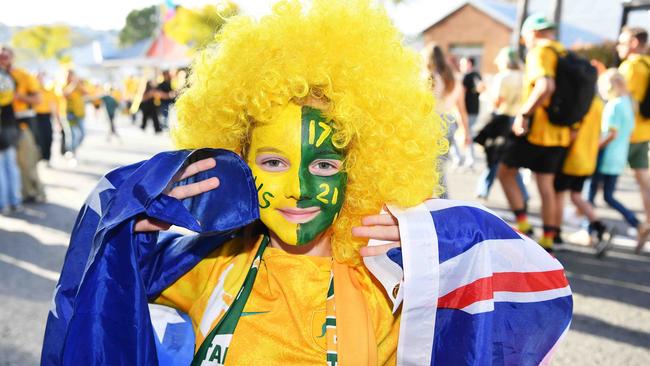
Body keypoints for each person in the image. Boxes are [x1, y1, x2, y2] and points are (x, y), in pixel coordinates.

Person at [42, 1, 572, 365]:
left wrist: (459, 236)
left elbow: (528, 295)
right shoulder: (210, 262)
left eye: (323, 165)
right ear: (236, 160)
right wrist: (136, 210)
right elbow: (100, 290)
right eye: (272, 162)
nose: (297, 190)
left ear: (359, 167)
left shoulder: (391, 278)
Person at [498, 14, 570, 250]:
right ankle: (547, 239)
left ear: (533, 33)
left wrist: (524, 114)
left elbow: (545, 86)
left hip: (536, 131)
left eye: (525, 36)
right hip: (560, 133)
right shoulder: (564, 54)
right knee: (546, 186)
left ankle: (524, 227)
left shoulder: (540, 51)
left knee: (505, 172)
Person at [588, 69, 649, 252]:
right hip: (619, 156)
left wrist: (594, 147)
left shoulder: (613, 105)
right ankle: (637, 223)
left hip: (606, 156)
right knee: (608, 196)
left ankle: (593, 233)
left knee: (589, 195)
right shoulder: (630, 104)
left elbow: (611, 133)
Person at [553, 95, 609, 248]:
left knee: (559, 194)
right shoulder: (598, 103)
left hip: (573, 158)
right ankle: (598, 224)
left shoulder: (582, 102)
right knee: (576, 195)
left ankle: (555, 233)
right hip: (588, 157)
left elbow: (573, 132)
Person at [474, 47, 528, 202]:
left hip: (501, 120)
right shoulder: (523, 76)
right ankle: (523, 194)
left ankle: (483, 189)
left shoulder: (503, 77)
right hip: (518, 120)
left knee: (494, 157)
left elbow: (497, 101)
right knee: (510, 162)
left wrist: (484, 91)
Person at [616, 26, 650, 253]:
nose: (619, 46)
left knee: (596, 182)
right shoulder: (648, 64)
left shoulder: (630, 67)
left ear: (634, 42)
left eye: (622, 42)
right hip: (644, 132)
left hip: (624, 134)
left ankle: (589, 226)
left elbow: (624, 100)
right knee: (644, 183)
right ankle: (647, 224)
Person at [423, 43, 470, 197]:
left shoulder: (426, 77)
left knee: (426, 169)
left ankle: (439, 203)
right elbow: (461, 109)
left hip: (429, 122)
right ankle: (442, 202)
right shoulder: (454, 79)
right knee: (439, 168)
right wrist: (466, 132)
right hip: (448, 123)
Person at [1, 46, 45, 203]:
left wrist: (18, 97)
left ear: (12, 58)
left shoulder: (23, 75)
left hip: (23, 122)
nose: (3, 59)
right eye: (1, 57)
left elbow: (38, 100)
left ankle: (38, 192)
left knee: (28, 160)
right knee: (15, 163)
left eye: (6, 57)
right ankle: (25, 193)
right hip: (5, 123)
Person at [0, 52, 22, 213]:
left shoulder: (7, 76)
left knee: (5, 165)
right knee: (10, 164)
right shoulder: (9, 76)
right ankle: (14, 201)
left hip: (6, 124)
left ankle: (5, 203)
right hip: (8, 123)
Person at [459, 56, 483, 168]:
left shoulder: (466, 76)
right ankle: (468, 158)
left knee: (467, 133)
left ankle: (469, 159)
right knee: (469, 133)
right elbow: (482, 88)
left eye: (463, 64)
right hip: (475, 108)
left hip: (466, 109)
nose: (461, 66)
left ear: (469, 63)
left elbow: (461, 94)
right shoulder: (477, 75)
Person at [34, 72, 61, 163]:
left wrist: (57, 120)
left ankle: (47, 157)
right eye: (38, 78)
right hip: (36, 116)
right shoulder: (33, 91)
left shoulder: (48, 91)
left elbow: (53, 106)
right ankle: (41, 156)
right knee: (39, 138)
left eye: (41, 78)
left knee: (49, 136)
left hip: (46, 116)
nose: (40, 80)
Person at [63, 70, 87, 156]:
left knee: (83, 133)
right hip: (70, 114)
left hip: (80, 113)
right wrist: (74, 83)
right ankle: (71, 152)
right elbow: (65, 93)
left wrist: (79, 84)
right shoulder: (64, 85)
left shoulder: (78, 85)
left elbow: (86, 93)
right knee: (72, 134)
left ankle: (75, 148)